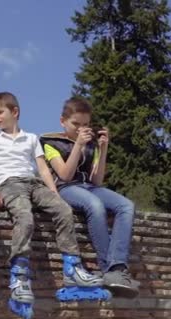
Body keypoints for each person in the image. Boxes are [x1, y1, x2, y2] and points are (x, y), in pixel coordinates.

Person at [0, 92, 108, 319]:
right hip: (9, 184)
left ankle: (72, 269)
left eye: (0, 112)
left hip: (33, 183)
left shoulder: (31, 138)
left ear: (15, 112)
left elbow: (41, 168)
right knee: (25, 217)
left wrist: (53, 191)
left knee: (63, 210)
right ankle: (19, 275)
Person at [41, 97, 140, 298]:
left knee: (126, 206)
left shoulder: (91, 145)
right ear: (63, 121)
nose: (80, 129)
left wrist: (103, 149)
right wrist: (77, 145)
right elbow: (65, 175)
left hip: (88, 186)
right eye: (75, 124)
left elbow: (97, 180)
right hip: (66, 187)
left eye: (85, 125)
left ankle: (118, 266)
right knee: (95, 206)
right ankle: (107, 269)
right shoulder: (50, 142)